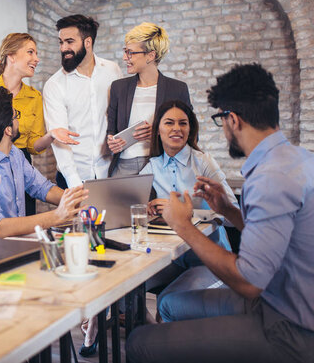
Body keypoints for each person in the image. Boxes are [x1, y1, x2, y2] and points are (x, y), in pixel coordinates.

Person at [126, 64, 314, 363]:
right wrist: (226, 209)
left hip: (288, 326)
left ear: (233, 120)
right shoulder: (297, 159)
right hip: (278, 298)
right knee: (171, 305)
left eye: (221, 119)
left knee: (139, 342)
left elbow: (249, 281)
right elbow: (272, 236)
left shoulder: (269, 176)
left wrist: (183, 225)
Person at [0, 33, 79, 215]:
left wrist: (51, 135)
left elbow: (33, 148)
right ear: (11, 56)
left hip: (19, 161)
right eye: (30, 52)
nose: (36, 59)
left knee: (23, 217)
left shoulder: (34, 97)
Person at [139, 100, 237, 321]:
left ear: (190, 129)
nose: (177, 128)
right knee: (126, 286)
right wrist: (147, 209)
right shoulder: (152, 166)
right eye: (169, 123)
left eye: (183, 123)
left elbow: (232, 214)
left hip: (210, 261)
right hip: (172, 258)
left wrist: (187, 213)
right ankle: (143, 340)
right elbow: (132, 202)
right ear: (158, 131)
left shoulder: (203, 162)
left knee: (166, 302)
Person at [0, 86, 87, 241]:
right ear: (8, 130)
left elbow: (42, 188)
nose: (18, 120)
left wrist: (83, 202)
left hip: (15, 246)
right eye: (15, 116)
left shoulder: (14, 153)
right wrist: (56, 216)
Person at [43, 14, 123, 189]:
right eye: (60, 42)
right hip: (73, 178)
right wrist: (74, 182)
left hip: (110, 172)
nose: (64, 48)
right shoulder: (54, 85)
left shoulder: (112, 71)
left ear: (88, 42)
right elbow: (59, 137)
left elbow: (119, 115)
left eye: (70, 41)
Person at [107, 22, 191, 177]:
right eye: (125, 51)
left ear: (150, 56)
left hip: (162, 164)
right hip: (124, 165)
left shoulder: (177, 89)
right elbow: (111, 130)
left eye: (130, 52)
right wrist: (112, 141)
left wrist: (158, 132)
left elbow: (191, 134)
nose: (125, 57)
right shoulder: (118, 88)